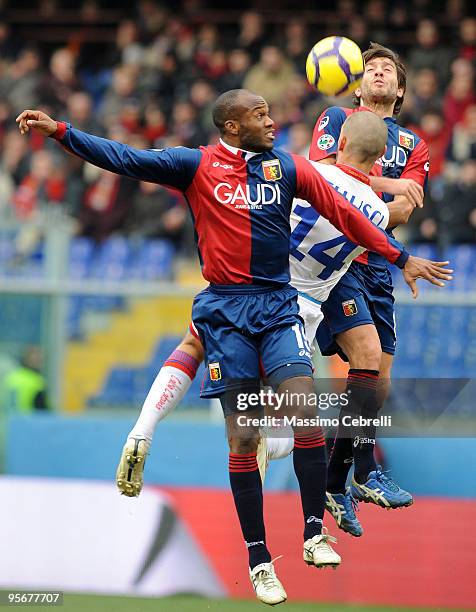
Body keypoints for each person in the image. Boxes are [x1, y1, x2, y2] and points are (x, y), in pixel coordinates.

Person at [17, 91, 449, 606]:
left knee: (304, 410)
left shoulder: (288, 168)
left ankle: (314, 530)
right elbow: (125, 158)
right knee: (243, 440)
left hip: (279, 306)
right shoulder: (195, 165)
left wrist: (402, 259)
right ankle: (259, 560)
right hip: (226, 310)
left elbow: (343, 212)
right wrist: (62, 132)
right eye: (260, 116)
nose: (272, 122)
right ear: (231, 126)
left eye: (269, 113)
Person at [116, 112, 451, 544]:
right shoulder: (375, 213)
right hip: (305, 312)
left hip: (258, 287)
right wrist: (400, 232)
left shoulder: (304, 170)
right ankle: (308, 484)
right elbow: (377, 222)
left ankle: (144, 429)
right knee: (302, 411)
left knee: (195, 348)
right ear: (383, 155)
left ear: (339, 139)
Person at [309, 43, 431, 533]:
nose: (379, 72)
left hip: (379, 264)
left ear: (399, 91)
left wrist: (374, 195)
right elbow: (324, 180)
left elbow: (405, 210)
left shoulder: (413, 145)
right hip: (337, 258)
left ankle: (344, 483)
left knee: (377, 385)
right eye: (371, 68)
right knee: (363, 354)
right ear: (357, 84)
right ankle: (360, 474)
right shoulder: (335, 119)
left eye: (389, 71)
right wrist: (387, 188)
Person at [3, 346, 48, 412]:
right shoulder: (36, 381)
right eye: (37, 359)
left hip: (9, 420)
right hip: (28, 420)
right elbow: (42, 410)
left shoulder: (12, 377)